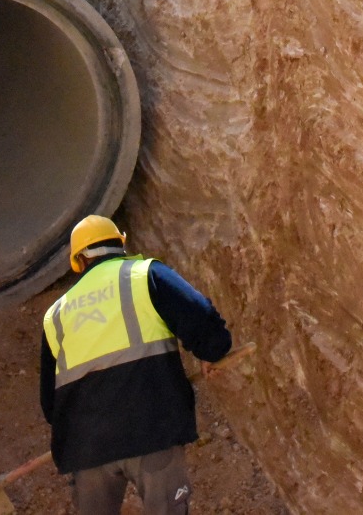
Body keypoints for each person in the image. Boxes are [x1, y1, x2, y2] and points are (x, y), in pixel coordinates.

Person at [41, 215, 233, 515]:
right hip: (151, 428)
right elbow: (202, 320)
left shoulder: (55, 315)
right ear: (121, 244)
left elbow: (50, 406)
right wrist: (211, 352)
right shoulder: (145, 275)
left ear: (78, 260)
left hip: (87, 448)